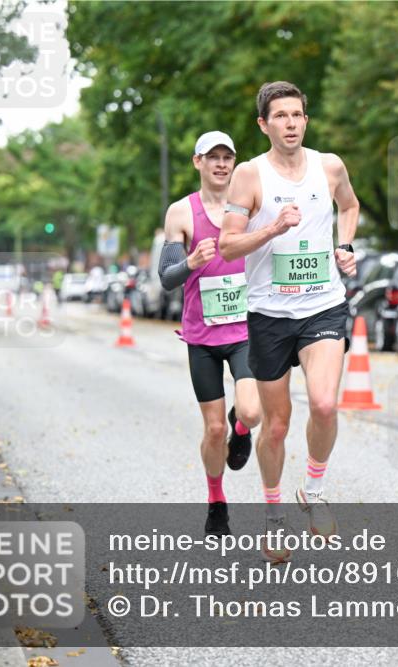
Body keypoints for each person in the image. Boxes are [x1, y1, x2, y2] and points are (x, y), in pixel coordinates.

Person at [219, 81, 358, 563]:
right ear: (264, 124)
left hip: (323, 304)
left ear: (306, 120)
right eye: (280, 116)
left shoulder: (329, 166)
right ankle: (274, 517)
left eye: (297, 115)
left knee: (323, 404)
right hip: (269, 313)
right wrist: (274, 227)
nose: (291, 123)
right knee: (276, 426)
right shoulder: (248, 176)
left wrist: (345, 246)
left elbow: (351, 206)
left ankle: (313, 492)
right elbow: (227, 245)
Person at [159, 131, 262, 536]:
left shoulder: (251, 209)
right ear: (197, 162)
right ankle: (216, 500)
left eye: (227, 157)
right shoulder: (181, 213)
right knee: (212, 429)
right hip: (201, 336)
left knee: (251, 411)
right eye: (212, 157)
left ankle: (242, 430)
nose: (221, 164)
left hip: (245, 329)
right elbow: (166, 279)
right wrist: (190, 262)